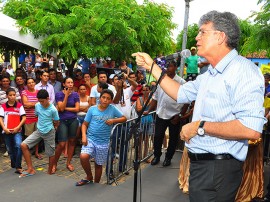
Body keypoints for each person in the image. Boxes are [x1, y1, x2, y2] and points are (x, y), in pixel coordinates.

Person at [132, 10, 266, 202]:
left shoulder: (243, 71)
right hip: (203, 167)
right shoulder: (211, 73)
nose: (197, 37)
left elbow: (251, 129)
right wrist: (152, 66)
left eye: (202, 32)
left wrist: (200, 127)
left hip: (218, 170)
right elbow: (180, 93)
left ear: (220, 37)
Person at [76, 89, 126, 185]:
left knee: (98, 165)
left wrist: (113, 120)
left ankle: (96, 184)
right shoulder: (92, 109)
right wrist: (83, 136)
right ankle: (89, 176)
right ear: (100, 98)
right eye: (103, 97)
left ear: (111, 100)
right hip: (90, 139)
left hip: (104, 142)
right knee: (83, 156)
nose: (105, 100)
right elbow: (84, 124)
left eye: (108, 98)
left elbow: (124, 118)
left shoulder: (112, 109)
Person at [146, 61, 186, 167]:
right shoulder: (161, 81)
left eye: (170, 66)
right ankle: (157, 156)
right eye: (166, 66)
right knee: (158, 136)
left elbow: (187, 101)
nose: (168, 68)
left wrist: (180, 115)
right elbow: (155, 97)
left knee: (173, 138)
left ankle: (168, 158)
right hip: (161, 113)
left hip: (174, 115)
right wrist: (149, 110)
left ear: (176, 68)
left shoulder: (181, 82)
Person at [20, 89, 60, 177]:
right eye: (39, 101)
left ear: (47, 98)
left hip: (49, 132)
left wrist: (52, 127)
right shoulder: (37, 105)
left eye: (42, 101)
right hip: (39, 130)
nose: (41, 103)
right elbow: (37, 115)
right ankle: (30, 168)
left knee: (51, 153)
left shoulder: (53, 109)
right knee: (23, 145)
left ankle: (49, 172)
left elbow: (57, 122)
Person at [53, 77, 79, 173]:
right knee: (62, 144)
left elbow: (77, 109)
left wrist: (64, 108)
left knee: (72, 141)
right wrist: (66, 96)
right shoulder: (59, 94)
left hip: (73, 120)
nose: (70, 84)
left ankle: (68, 162)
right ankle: (54, 163)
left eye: (72, 82)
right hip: (62, 120)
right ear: (64, 84)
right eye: (68, 82)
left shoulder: (76, 94)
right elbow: (61, 108)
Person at [0, 88, 26, 174]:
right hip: (7, 131)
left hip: (17, 131)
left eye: (14, 95)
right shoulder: (3, 106)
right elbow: (1, 118)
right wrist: (4, 128)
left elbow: (24, 117)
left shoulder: (19, 106)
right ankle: (13, 164)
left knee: (18, 146)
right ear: (7, 96)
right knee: (10, 149)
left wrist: (18, 127)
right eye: (10, 95)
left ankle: (18, 166)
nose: (12, 97)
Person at [21, 78, 41, 160]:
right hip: (28, 117)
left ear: (35, 83)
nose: (31, 84)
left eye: (32, 82)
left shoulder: (38, 92)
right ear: (26, 85)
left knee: (37, 136)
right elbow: (25, 104)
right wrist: (36, 104)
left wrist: (31, 104)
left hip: (38, 117)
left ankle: (36, 152)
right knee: (28, 136)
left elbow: (42, 102)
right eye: (29, 83)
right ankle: (27, 151)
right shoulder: (24, 92)